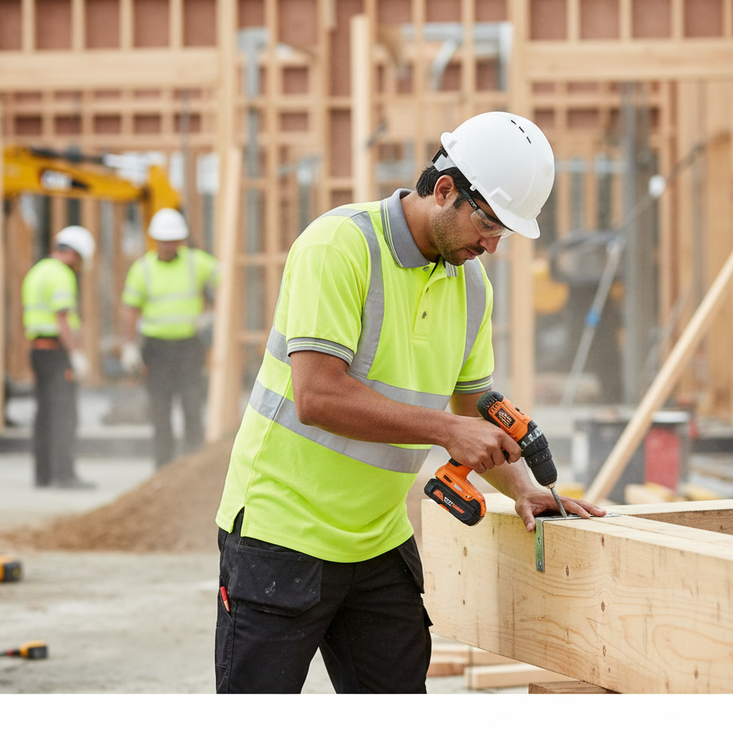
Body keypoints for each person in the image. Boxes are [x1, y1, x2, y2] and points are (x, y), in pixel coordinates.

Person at [214, 111, 607, 694]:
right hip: (280, 536)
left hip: (376, 541)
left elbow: (475, 404)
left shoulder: (472, 287)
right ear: (445, 189)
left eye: (505, 234)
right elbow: (317, 396)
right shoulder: (339, 246)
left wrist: (524, 487)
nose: (493, 246)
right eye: (490, 224)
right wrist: (445, 431)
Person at [120, 208, 220, 468]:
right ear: (155, 240)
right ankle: (163, 468)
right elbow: (130, 309)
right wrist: (129, 345)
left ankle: (193, 467)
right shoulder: (142, 269)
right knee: (160, 411)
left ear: (181, 239)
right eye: (163, 240)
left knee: (192, 406)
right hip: (156, 349)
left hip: (189, 347)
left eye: (173, 239)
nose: (168, 245)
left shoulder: (195, 262)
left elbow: (227, 280)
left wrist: (213, 314)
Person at [21, 225, 95, 489]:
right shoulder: (61, 275)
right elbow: (62, 318)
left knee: (44, 415)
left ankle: (43, 476)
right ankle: (64, 476)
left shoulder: (37, 271)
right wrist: (75, 354)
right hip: (56, 353)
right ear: (76, 254)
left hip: (38, 351)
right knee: (64, 415)